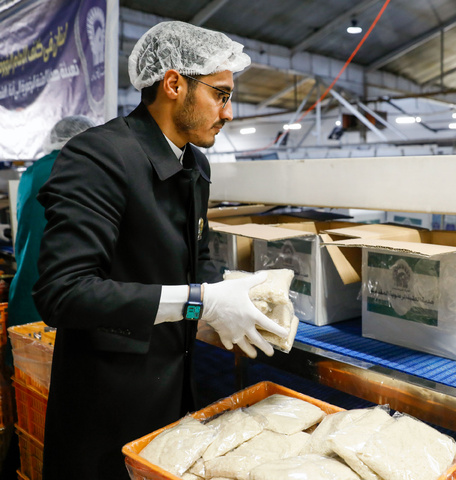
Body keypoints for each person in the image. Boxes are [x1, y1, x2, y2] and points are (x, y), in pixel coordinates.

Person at [32, 21, 289, 480]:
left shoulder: (195, 162)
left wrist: (240, 296)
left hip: (175, 395)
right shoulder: (99, 157)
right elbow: (63, 292)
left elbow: (196, 261)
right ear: (174, 83)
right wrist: (200, 303)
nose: (229, 113)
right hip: (106, 404)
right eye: (221, 94)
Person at [8, 116, 96, 331]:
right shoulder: (84, 168)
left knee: (26, 359)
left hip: (27, 288)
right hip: (63, 292)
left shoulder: (33, 171)